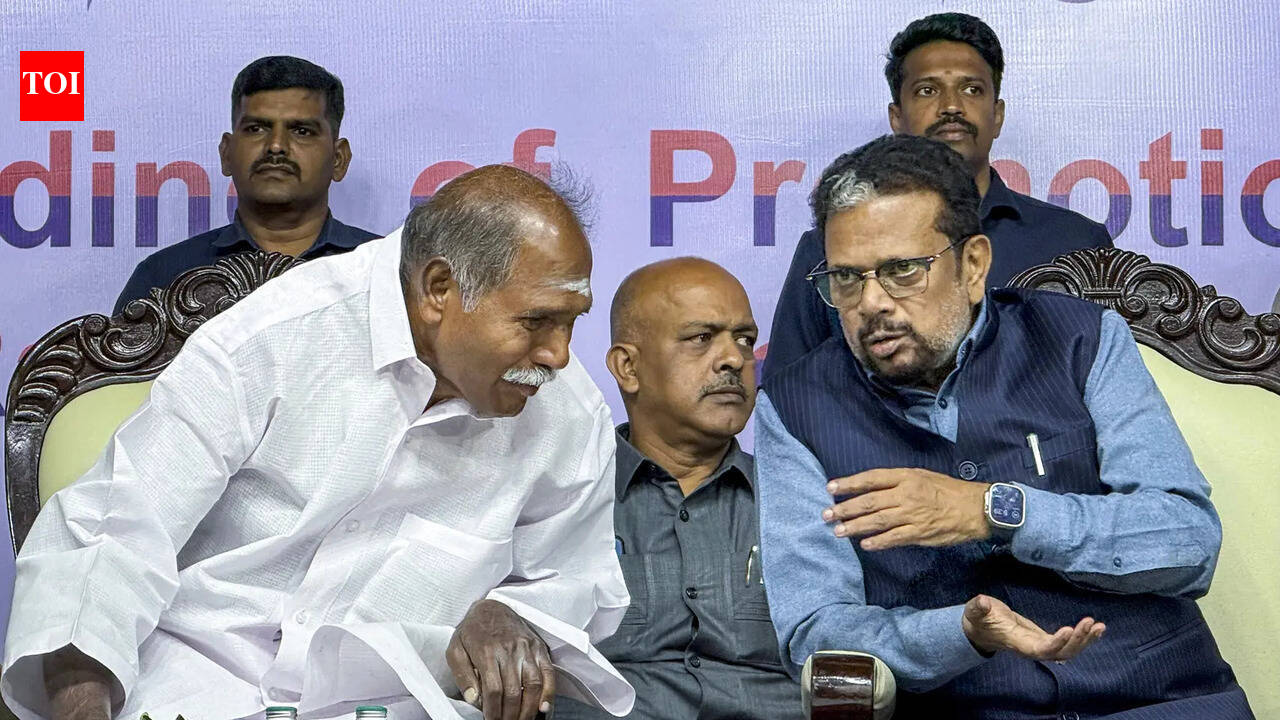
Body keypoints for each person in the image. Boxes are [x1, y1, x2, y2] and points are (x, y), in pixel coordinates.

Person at [3, 166, 634, 720]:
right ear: (440, 290)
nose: (558, 355)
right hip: (200, 685)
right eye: (536, 322)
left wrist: (513, 612)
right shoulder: (271, 340)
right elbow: (110, 539)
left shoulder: (567, 411)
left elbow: (578, 580)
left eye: (571, 322)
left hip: (400, 702)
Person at [755, 135, 1252, 718]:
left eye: (901, 271)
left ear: (972, 265)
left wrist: (997, 509)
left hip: (1157, 697)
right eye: (846, 278)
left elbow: (1189, 540)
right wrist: (958, 634)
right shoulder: (794, 407)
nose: (871, 303)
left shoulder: (1081, 339)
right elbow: (815, 633)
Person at [763, 13, 1113, 379]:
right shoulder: (828, 249)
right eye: (927, 90)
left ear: (997, 116)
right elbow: (788, 393)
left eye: (972, 89)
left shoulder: (1075, 241)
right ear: (897, 119)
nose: (951, 106)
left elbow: (1108, 384)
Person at [555, 259, 803, 720]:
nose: (734, 359)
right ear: (628, 367)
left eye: (745, 340)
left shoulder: (798, 497)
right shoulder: (564, 496)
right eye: (701, 338)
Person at [113, 55, 378, 314]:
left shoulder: (386, 269)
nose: (276, 146)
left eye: (302, 131)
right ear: (226, 153)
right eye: (256, 129)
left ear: (338, 159)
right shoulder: (163, 277)